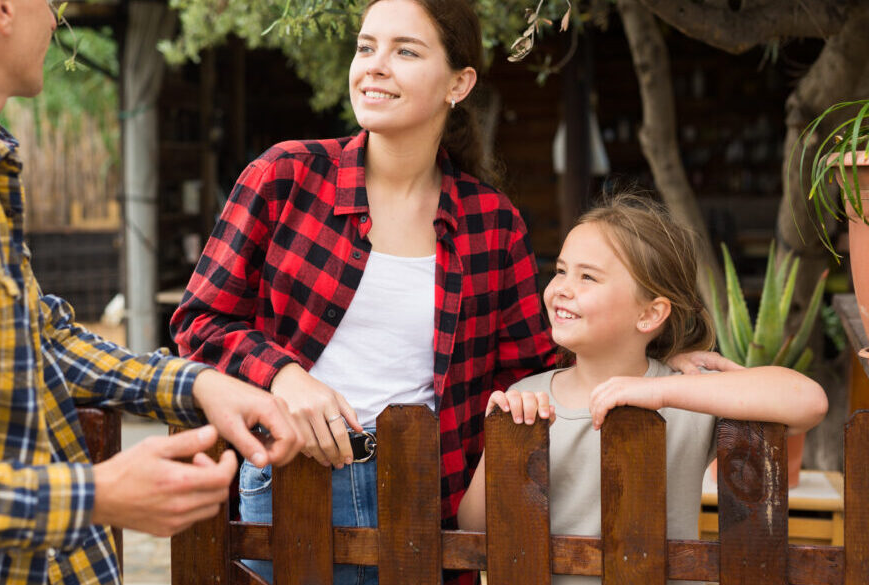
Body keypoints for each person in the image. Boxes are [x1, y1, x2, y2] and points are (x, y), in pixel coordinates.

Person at [0, 2, 302, 585]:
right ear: (3, 9)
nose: (58, 20)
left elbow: (41, 341)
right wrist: (93, 495)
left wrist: (197, 383)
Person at [171, 0, 559, 582]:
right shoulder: (284, 178)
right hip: (289, 482)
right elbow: (198, 325)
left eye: (405, 51)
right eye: (366, 46)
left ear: (460, 82)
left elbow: (533, 370)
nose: (374, 65)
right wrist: (284, 376)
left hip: (428, 495)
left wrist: (661, 365)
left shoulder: (491, 223)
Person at [457, 194, 829, 585]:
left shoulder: (681, 398)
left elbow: (809, 401)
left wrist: (661, 393)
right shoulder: (526, 397)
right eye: (561, 270)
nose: (562, 288)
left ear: (650, 314)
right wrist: (504, 434)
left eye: (587, 277)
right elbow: (472, 527)